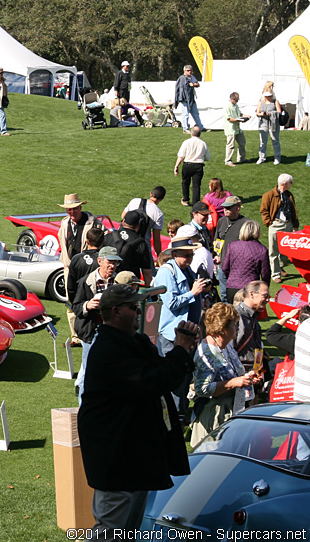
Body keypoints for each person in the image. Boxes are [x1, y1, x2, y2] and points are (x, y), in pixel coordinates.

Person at [79, 284, 197, 533]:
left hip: (134, 457)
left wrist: (182, 351)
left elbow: (163, 374)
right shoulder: (109, 350)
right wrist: (179, 349)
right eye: (133, 307)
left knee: (128, 532)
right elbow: (151, 382)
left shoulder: (136, 343)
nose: (139, 312)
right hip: (116, 460)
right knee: (110, 531)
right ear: (115, 311)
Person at [154, 236, 212, 415]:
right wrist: (193, 293)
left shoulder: (187, 270)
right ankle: (174, 415)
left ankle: (181, 413)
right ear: (175, 254)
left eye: (191, 255)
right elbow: (171, 302)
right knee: (173, 377)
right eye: (186, 255)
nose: (189, 259)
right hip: (172, 336)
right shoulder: (167, 271)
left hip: (188, 334)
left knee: (186, 375)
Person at [190, 303, 262, 446]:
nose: (238, 328)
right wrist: (234, 383)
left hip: (232, 410)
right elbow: (201, 388)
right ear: (222, 329)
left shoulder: (226, 344)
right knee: (213, 460)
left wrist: (247, 377)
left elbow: (234, 372)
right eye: (235, 324)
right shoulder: (208, 353)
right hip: (214, 416)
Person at [72, 245, 121, 400]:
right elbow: (76, 307)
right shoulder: (86, 282)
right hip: (91, 333)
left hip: (112, 332)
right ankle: (83, 406)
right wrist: (87, 305)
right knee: (88, 370)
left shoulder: (119, 281)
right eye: (110, 262)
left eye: (115, 262)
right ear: (99, 261)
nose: (112, 266)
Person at [59, 193, 98, 345]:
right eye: (69, 210)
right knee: (71, 302)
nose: (72, 213)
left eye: (74, 209)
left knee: (88, 301)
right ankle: (75, 336)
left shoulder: (92, 223)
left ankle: (88, 334)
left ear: (80, 207)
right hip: (70, 268)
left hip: (87, 268)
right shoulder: (64, 223)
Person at [260, 173, 297, 283]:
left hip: (288, 224)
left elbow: (293, 210)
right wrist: (269, 222)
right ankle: (275, 274)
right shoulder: (269, 195)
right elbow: (264, 210)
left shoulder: (289, 195)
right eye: (291, 182)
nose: (292, 184)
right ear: (285, 183)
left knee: (286, 250)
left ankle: (280, 266)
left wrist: (295, 225)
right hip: (276, 225)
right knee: (274, 250)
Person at [221, 221, 269, 304]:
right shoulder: (262, 249)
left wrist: (231, 278)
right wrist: (265, 287)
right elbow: (265, 273)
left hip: (232, 287)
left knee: (232, 315)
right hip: (250, 289)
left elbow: (225, 267)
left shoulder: (232, 245)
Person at [108, 210, 153, 284]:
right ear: (138, 226)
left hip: (111, 282)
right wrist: (149, 291)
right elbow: (147, 272)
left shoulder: (109, 236)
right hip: (131, 285)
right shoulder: (141, 244)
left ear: (123, 222)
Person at [233, 280, 268, 373]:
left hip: (253, 369)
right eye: (265, 296)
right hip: (241, 370)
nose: (267, 299)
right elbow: (228, 348)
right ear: (252, 294)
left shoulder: (252, 315)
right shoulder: (236, 316)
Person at [123, 186, 166, 258]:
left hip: (125, 240)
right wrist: (159, 255)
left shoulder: (135, 201)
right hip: (143, 246)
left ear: (151, 194)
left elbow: (123, 216)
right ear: (161, 199)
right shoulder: (158, 214)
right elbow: (156, 238)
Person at [173, 126, 209, 206]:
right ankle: (196, 203)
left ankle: (186, 199)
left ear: (191, 133)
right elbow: (207, 157)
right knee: (196, 185)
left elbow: (181, 155)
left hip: (187, 165)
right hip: (198, 166)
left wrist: (176, 166)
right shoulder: (203, 143)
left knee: (185, 182)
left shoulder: (186, 142)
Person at [255, 81, 282, 165]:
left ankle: (277, 157)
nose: (268, 97)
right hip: (263, 123)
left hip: (274, 123)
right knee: (263, 141)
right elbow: (257, 112)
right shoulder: (261, 102)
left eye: (269, 96)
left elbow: (279, 111)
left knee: (275, 140)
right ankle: (262, 157)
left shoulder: (275, 101)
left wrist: (271, 113)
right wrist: (262, 114)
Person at [173, 64, 203, 130]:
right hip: (185, 99)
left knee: (195, 114)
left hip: (192, 99)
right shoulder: (182, 78)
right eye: (188, 70)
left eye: (190, 70)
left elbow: (197, 84)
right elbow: (180, 89)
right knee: (185, 115)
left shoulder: (192, 77)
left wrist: (193, 84)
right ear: (184, 71)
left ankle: (200, 127)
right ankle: (185, 128)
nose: (189, 72)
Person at [223, 91, 248, 166]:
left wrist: (246, 116)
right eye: (236, 100)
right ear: (232, 99)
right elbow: (229, 118)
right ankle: (228, 161)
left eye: (238, 100)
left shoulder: (236, 105)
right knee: (230, 145)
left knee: (242, 142)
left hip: (238, 128)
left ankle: (241, 158)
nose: (237, 101)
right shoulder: (227, 106)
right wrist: (239, 120)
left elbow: (239, 114)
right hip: (231, 129)